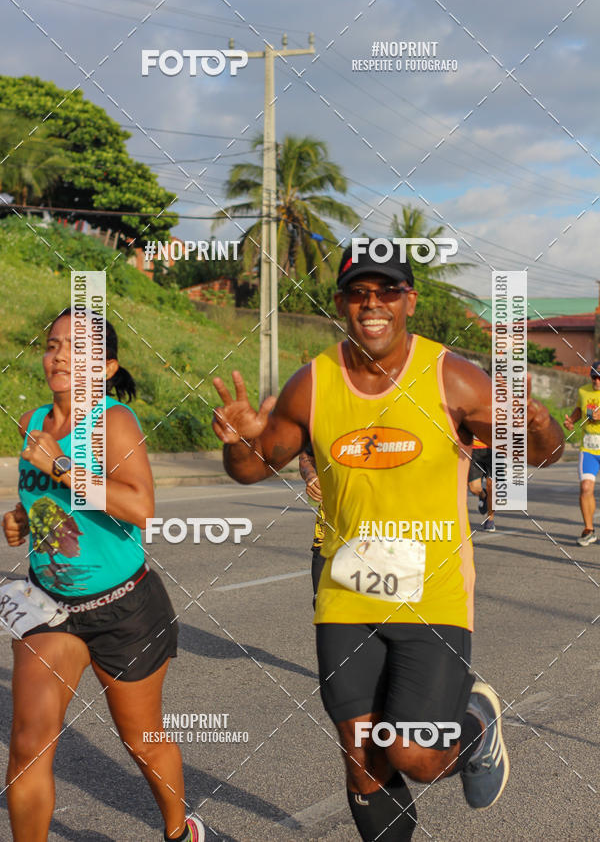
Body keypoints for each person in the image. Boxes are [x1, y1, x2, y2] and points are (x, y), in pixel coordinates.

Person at [211, 245, 564, 840]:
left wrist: (534, 422)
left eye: (387, 291)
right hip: (346, 592)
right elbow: (253, 468)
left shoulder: (451, 376)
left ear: (409, 300)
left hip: (435, 595)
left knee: (414, 758)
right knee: (363, 762)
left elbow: (544, 454)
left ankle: (474, 721)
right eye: (358, 292)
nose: (372, 304)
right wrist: (239, 440)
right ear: (342, 302)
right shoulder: (313, 384)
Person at [2, 308, 204, 842]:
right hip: (50, 606)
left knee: (141, 740)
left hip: (124, 608)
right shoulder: (32, 420)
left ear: (107, 367)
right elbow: (49, 500)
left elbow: (140, 507)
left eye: (77, 347)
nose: (60, 354)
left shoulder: (114, 422)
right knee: (28, 743)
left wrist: (62, 468)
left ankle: (179, 830)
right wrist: (24, 518)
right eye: (52, 345)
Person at [564, 360, 600, 545]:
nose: (597, 381)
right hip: (589, 448)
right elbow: (579, 409)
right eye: (594, 376)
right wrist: (572, 421)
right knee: (586, 488)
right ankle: (589, 530)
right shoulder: (583, 391)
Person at [298, 445, 327, 606]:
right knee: (322, 606)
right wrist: (310, 475)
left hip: (376, 533)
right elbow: (306, 456)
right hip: (328, 534)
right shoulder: (325, 420)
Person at [467, 437, 495, 532]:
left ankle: (490, 519)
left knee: (491, 487)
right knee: (474, 488)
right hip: (473, 449)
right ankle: (483, 495)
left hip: (494, 449)